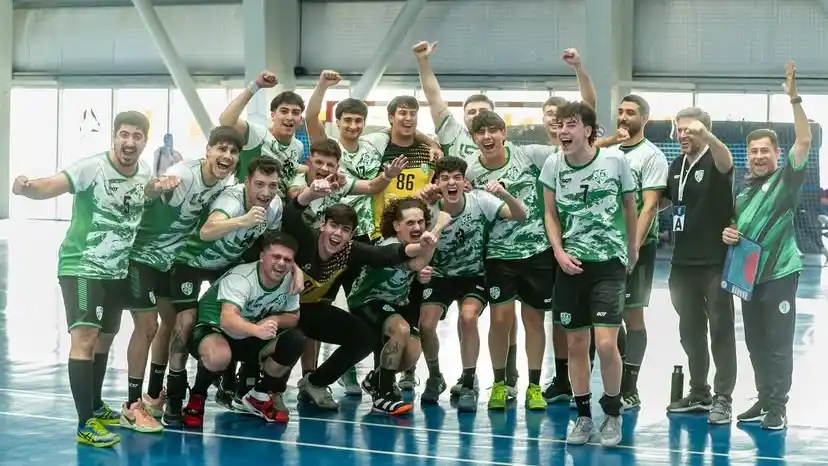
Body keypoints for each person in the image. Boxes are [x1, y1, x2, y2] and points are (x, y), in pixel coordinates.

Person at [12, 111, 163, 447]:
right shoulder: (91, 167)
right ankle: (85, 424)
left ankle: (95, 405)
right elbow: (52, 184)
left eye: (136, 136)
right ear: (114, 136)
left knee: (104, 339)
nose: (129, 142)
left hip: (115, 271)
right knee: (84, 338)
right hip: (82, 266)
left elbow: (141, 201)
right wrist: (26, 188)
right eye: (124, 134)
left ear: (144, 141)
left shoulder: (143, 173)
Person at [161, 157, 301, 426]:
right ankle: (175, 396)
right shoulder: (233, 200)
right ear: (246, 182)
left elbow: (272, 244)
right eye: (259, 184)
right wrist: (243, 220)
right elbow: (206, 231)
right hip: (193, 262)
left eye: (272, 186)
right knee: (185, 323)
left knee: (246, 310)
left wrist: (294, 266)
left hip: (225, 263)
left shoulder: (274, 205)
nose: (266, 192)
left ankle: (230, 385)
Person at [123, 125, 243, 432]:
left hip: (169, 262)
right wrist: (158, 187)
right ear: (208, 150)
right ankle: (131, 405)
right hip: (140, 257)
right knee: (146, 327)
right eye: (221, 149)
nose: (226, 155)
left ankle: (153, 396)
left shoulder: (223, 183)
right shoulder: (185, 174)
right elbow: (160, 190)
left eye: (232, 151)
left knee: (168, 324)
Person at [279, 180, 438, 410]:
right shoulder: (307, 240)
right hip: (276, 308)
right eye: (334, 226)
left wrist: (421, 244)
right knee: (288, 340)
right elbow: (291, 217)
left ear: (351, 235)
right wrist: (308, 194)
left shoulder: (350, 250)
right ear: (322, 225)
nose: (338, 234)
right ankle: (263, 389)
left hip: (307, 310)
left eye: (345, 230)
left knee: (364, 337)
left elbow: (387, 254)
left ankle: (315, 382)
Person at [539, 101, 638, 447]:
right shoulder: (553, 164)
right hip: (570, 265)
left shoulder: (615, 161)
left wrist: (633, 248)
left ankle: (612, 411)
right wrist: (559, 252)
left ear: (588, 131)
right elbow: (550, 214)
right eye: (560, 125)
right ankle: (582, 416)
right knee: (576, 343)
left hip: (609, 264)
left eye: (571, 125)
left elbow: (630, 206)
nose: (563, 131)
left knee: (607, 345)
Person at [723, 61, 810, 430]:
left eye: (765, 151)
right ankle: (762, 398)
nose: (759, 156)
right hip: (747, 276)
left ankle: (778, 406)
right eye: (753, 151)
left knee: (777, 344)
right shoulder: (740, 191)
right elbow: (734, 227)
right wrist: (728, 233)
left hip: (779, 274)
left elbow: (804, 140)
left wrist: (793, 98)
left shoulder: (786, 180)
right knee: (756, 343)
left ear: (776, 154)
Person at [415, 156, 527, 410]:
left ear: (465, 182)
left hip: (474, 275)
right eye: (445, 178)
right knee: (426, 323)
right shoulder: (428, 209)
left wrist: (504, 194)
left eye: (457, 177)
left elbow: (520, 215)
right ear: (436, 184)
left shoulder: (480, 200)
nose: (451, 182)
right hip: (441, 274)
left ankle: (468, 381)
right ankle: (434, 377)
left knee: (467, 317)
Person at [465, 111, 558, 410]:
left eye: (493, 130)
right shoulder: (470, 173)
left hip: (537, 252)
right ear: (474, 137)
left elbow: (571, 148)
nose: (487, 137)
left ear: (504, 132)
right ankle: (500, 384)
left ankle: (534, 386)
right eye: (481, 132)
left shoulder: (529, 155)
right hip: (498, 256)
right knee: (500, 321)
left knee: (534, 320)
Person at [183, 232, 305, 426]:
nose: (281, 263)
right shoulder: (242, 277)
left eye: (287, 259)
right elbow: (228, 319)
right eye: (276, 257)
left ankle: (259, 395)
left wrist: (273, 319)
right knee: (219, 357)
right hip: (215, 329)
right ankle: (197, 397)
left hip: (248, 333)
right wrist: (257, 330)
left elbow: (294, 317)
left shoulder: (290, 280)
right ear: (262, 257)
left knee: (296, 340)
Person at [663, 106, 737, 424]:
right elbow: (665, 199)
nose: (683, 135)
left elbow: (727, 161)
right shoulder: (677, 164)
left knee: (720, 329)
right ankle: (699, 391)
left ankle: (723, 397)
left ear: (705, 131)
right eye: (679, 130)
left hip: (715, 261)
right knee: (690, 330)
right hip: (682, 262)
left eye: (689, 130)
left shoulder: (716, 159)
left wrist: (706, 135)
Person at [596, 95, 669, 410]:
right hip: (602, 247)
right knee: (607, 316)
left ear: (646, 119)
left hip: (636, 247)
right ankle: (618, 380)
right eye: (621, 112)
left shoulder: (652, 156)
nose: (624, 117)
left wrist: (633, 247)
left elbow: (651, 205)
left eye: (631, 113)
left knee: (632, 315)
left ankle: (630, 386)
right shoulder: (608, 152)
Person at [349, 197, 446, 415]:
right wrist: (438, 227)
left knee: (413, 350)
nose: (417, 227)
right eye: (410, 223)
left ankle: (376, 378)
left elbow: (417, 267)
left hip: (393, 305)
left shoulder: (417, 244)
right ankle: (382, 395)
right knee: (400, 330)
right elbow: (417, 262)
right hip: (366, 301)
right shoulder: (389, 244)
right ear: (396, 226)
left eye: (421, 222)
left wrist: (420, 276)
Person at [218, 70, 305, 192]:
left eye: (295, 112)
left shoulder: (298, 146)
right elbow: (226, 121)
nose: (289, 117)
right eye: (284, 111)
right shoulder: (257, 135)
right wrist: (256, 85)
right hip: (246, 204)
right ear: (273, 116)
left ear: (300, 119)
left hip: (278, 206)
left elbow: (289, 167)